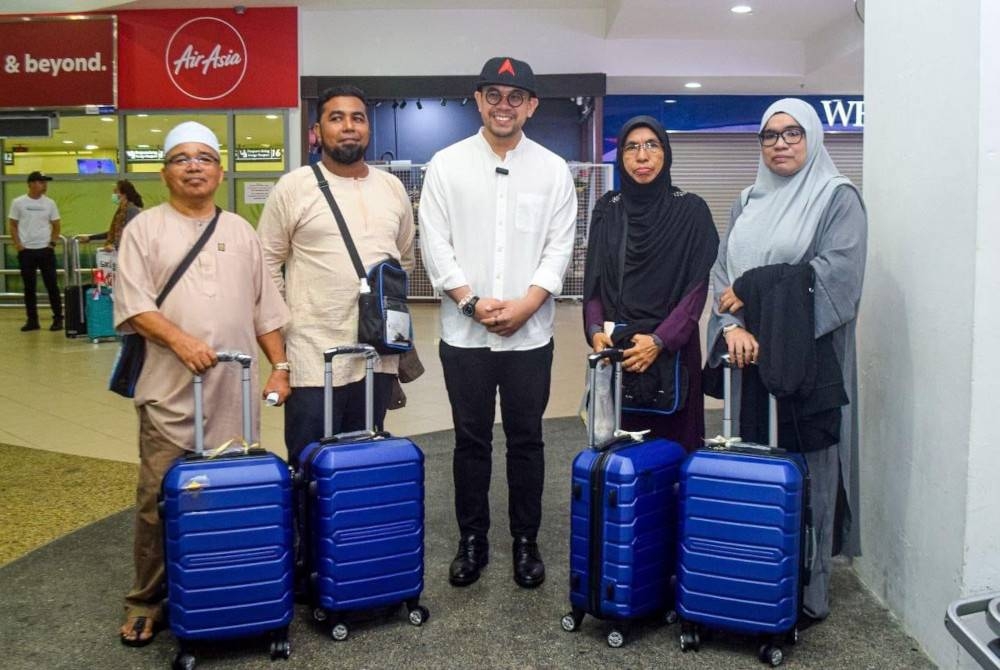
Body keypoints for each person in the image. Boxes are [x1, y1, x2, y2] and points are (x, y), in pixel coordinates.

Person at [113, 121, 291, 647]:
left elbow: (266, 309)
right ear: (165, 171)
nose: (194, 166)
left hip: (234, 398)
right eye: (182, 158)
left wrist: (280, 365)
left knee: (233, 495)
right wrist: (182, 341)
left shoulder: (240, 230)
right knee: (159, 499)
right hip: (170, 394)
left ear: (221, 169)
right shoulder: (144, 229)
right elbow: (135, 305)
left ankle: (227, 588)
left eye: (205, 158)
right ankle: (148, 600)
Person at [706, 98, 867, 627]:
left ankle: (806, 591)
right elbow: (721, 276)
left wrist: (754, 299)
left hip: (810, 367)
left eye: (792, 133)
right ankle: (753, 580)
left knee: (809, 475)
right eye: (770, 135)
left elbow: (836, 278)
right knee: (754, 469)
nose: (780, 143)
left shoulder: (837, 199)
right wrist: (733, 328)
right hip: (746, 361)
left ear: (814, 138)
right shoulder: (747, 201)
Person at [419, 56, 576, 589]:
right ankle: (473, 539)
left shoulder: (554, 170)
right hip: (464, 332)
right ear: (478, 100)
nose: (503, 106)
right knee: (470, 440)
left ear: (531, 105)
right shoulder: (445, 164)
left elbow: (560, 247)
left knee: (528, 439)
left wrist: (528, 304)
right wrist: (469, 301)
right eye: (493, 95)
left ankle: (526, 541)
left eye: (515, 97)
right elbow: (434, 242)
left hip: (531, 335)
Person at [257, 85, 415, 464]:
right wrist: (284, 346)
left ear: (368, 129)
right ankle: (304, 526)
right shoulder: (294, 188)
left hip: (377, 355)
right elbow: (264, 267)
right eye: (336, 117)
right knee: (310, 462)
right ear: (317, 131)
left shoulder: (392, 188)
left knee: (363, 461)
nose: (348, 126)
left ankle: (354, 526)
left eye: (357, 118)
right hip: (313, 356)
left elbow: (403, 262)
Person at [583, 116, 718, 451]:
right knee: (620, 456)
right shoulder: (607, 210)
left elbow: (696, 290)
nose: (641, 156)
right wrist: (595, 330)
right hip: (620, 352)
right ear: (621, 157)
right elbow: (594, 285)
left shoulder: (691, 211)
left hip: (673, 352)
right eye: (631, 147)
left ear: (665, 153)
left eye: (651, 145)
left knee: (675, 454)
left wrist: (660, 340)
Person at [8, 171, 63, 332]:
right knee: (29, 287)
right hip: (26, 251)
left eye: (45, 183)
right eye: (41, 182)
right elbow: (12, 224)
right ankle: (32, 320)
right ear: (31, 184)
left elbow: (56, 224)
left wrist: (52, 243)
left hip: (45, 250)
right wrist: (18, 244)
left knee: (52, 285)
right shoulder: (18, 202)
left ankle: (58, 318)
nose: (44, 185)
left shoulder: (50, 203)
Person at [80, 179, 145, 250]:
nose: (113, 195)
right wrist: (90, 238)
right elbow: (113, 233)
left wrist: (114, 246)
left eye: (116, 192)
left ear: (124, 194)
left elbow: (131, 233)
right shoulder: (121, 211)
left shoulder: (132, 210)